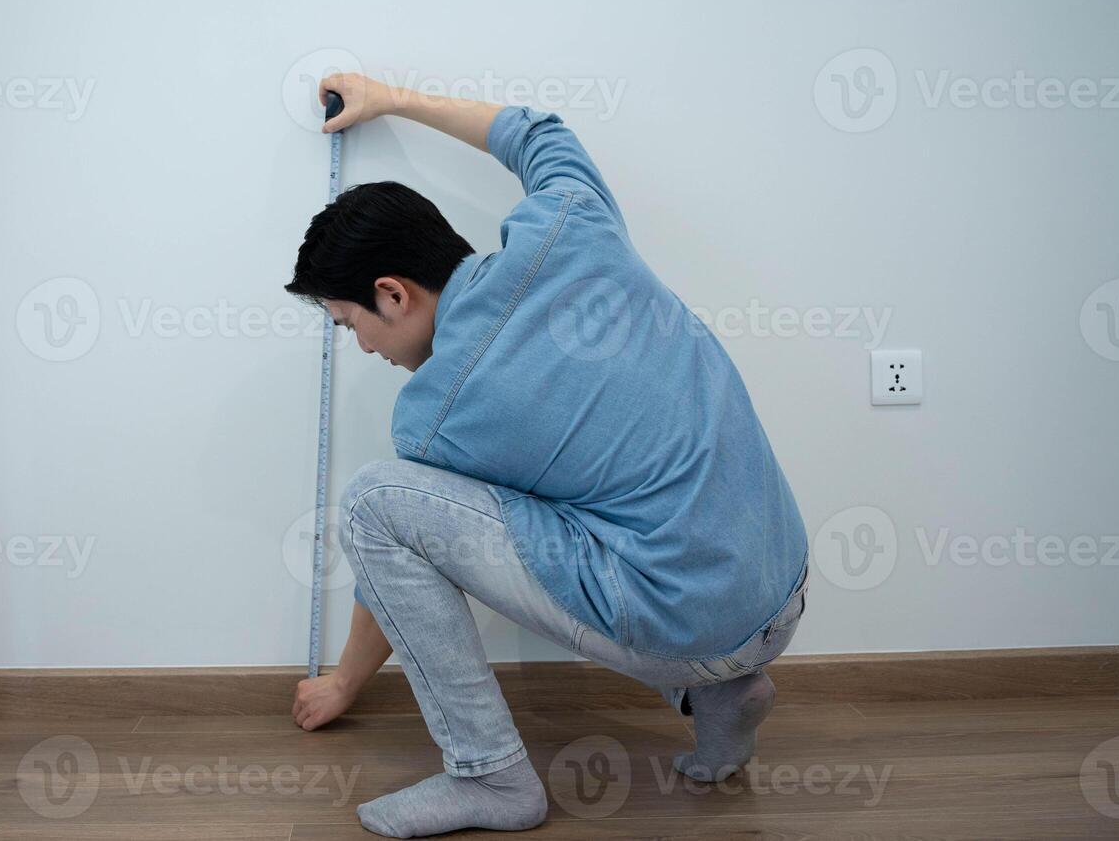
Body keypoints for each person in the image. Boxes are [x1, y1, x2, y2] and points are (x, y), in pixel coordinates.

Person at [284, 72, 809, 838]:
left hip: (686, 630)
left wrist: (342, 684)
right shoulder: (571, 220)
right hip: (782, 581)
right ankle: (722, 698)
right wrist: (390, 98)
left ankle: (492, 778)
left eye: (346, 322)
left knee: (375, 503)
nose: (360, 345)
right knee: (618, 506)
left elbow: (389, 570)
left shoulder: (436, 416)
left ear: (393, 294)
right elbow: (531, 131)